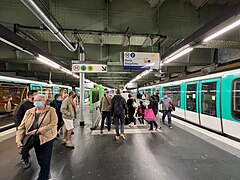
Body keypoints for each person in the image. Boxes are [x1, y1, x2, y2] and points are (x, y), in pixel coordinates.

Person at [16, 94, 57, 179]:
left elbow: (53, 124)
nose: (36, 102)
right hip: (34, 138)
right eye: (35, 100)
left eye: (39, 100)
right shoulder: (29, 111)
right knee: (40, 158)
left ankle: (43, 176)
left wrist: (38, 131)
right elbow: (22, 127)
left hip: (46, 138)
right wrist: (18, 140)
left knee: (45, 159)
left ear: (44, 101)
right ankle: (45, 171)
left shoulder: (51, 110)